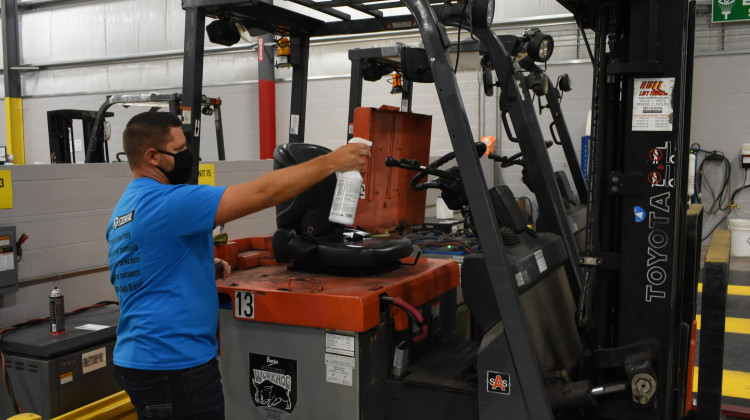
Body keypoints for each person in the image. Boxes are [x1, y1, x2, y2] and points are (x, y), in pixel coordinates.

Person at [106, 112, 370, 420]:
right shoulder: (170, 202)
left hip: (137, 360)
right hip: (176, 366)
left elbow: (138, 270)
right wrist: (334, 162)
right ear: (152, 157)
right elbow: (263, 193)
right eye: (178, 151)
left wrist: (200, 264)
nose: (186, 156)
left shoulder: (123, 210)